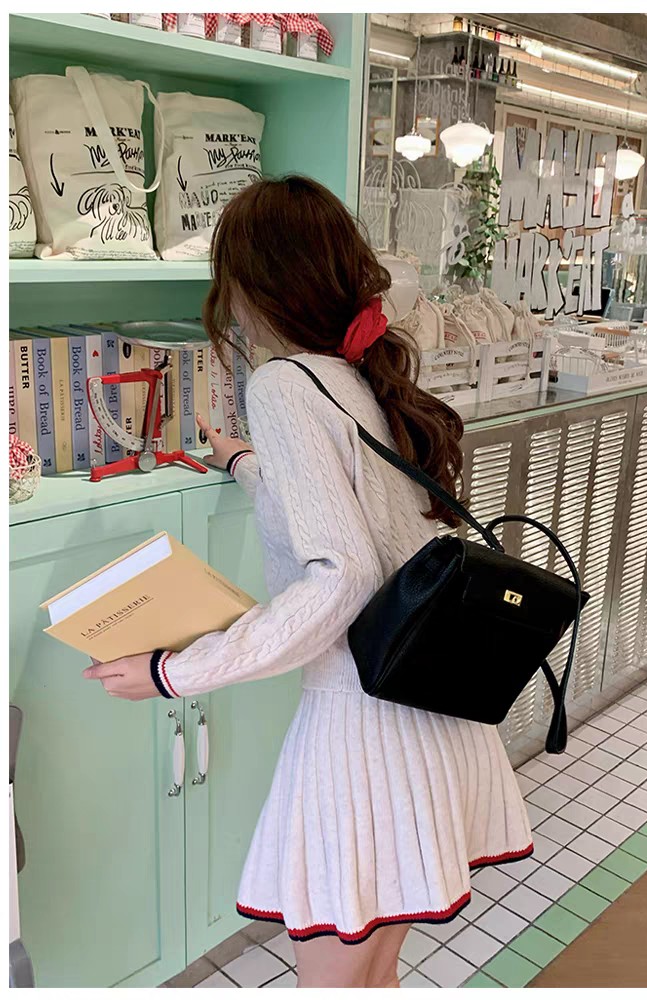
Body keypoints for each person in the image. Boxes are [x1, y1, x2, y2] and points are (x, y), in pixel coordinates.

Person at [83, 176, 532, 989]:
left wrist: (173, 671)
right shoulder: (356, 378)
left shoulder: (284, 385)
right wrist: (247, 464)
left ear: (251, 286)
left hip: (362, 737)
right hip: (429, 721)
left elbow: (342, 576)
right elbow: (345, 518)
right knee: (372, 978)